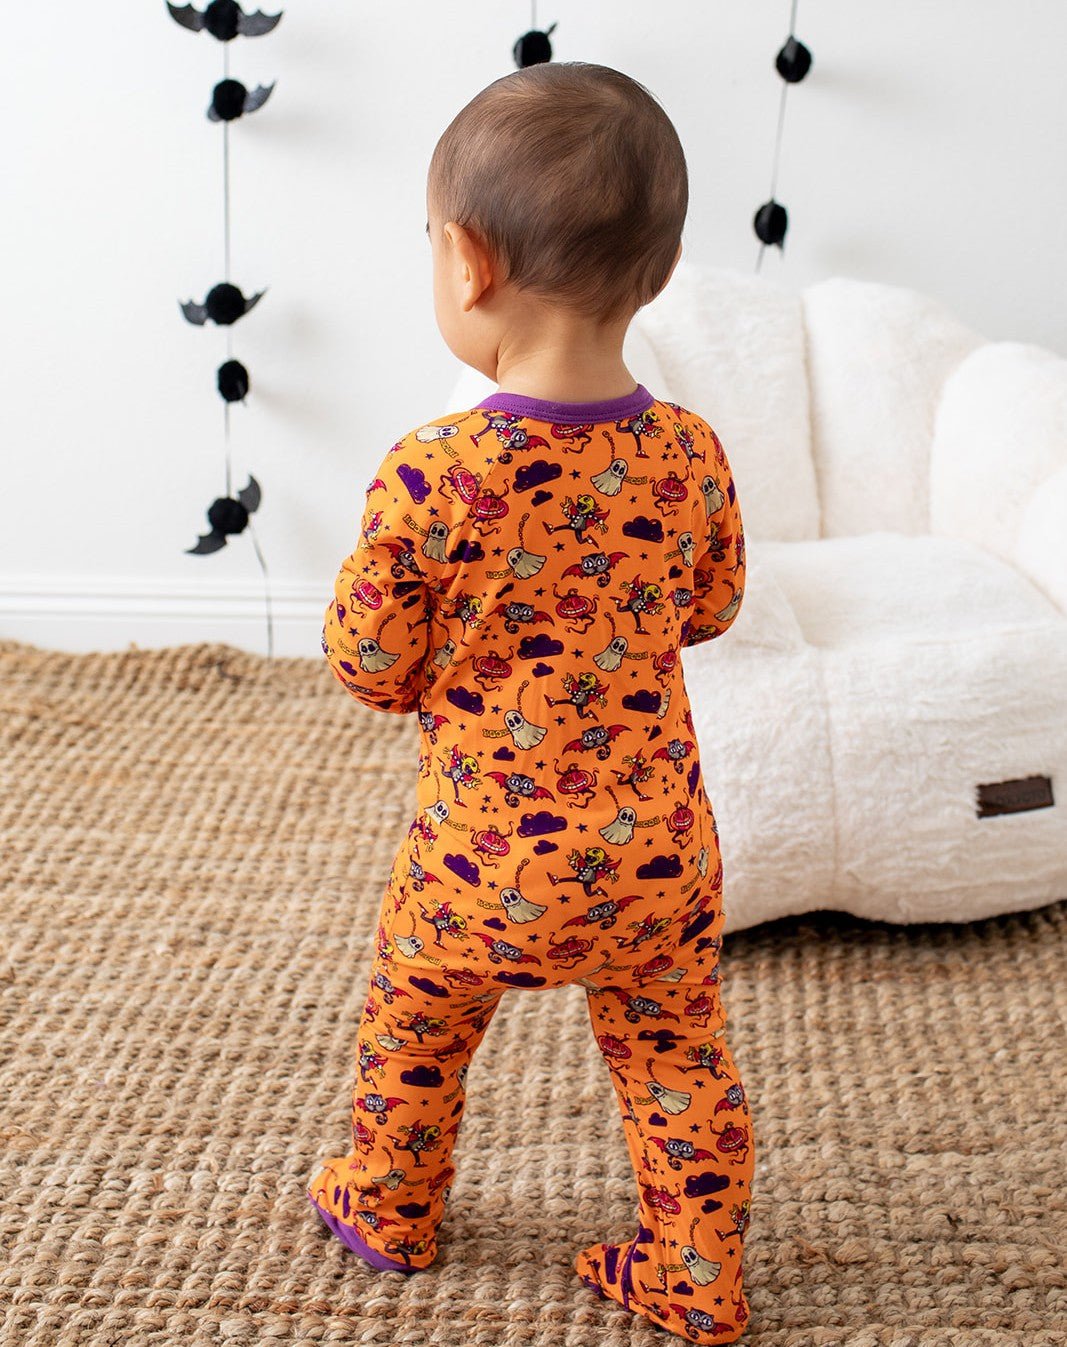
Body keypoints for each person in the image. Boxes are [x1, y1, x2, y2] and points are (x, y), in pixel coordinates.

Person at [307, 59, 754, 1345]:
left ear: (466, 262)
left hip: (480, 863)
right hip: (656, 856)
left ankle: (389, 1202)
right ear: (660, 272)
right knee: (676, 1056)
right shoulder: (688, 453)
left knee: (414, 1018)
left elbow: (370, 665)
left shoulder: (431, 473)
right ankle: (695, 1271)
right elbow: (711, 607)